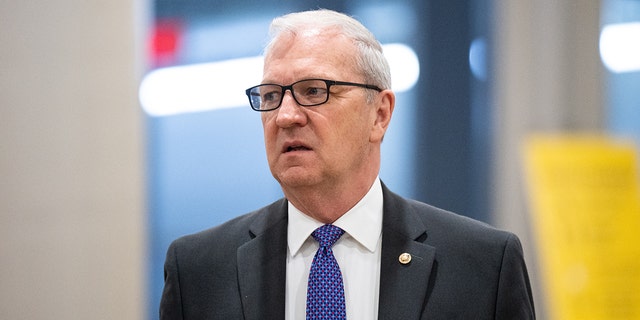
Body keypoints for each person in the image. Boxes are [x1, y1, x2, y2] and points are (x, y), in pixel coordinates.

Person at [160, 9, 535, 320]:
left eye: (313, 91)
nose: (286, 116)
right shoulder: (198, 270)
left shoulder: (482, 266)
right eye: (272, 95)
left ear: (380, 114)